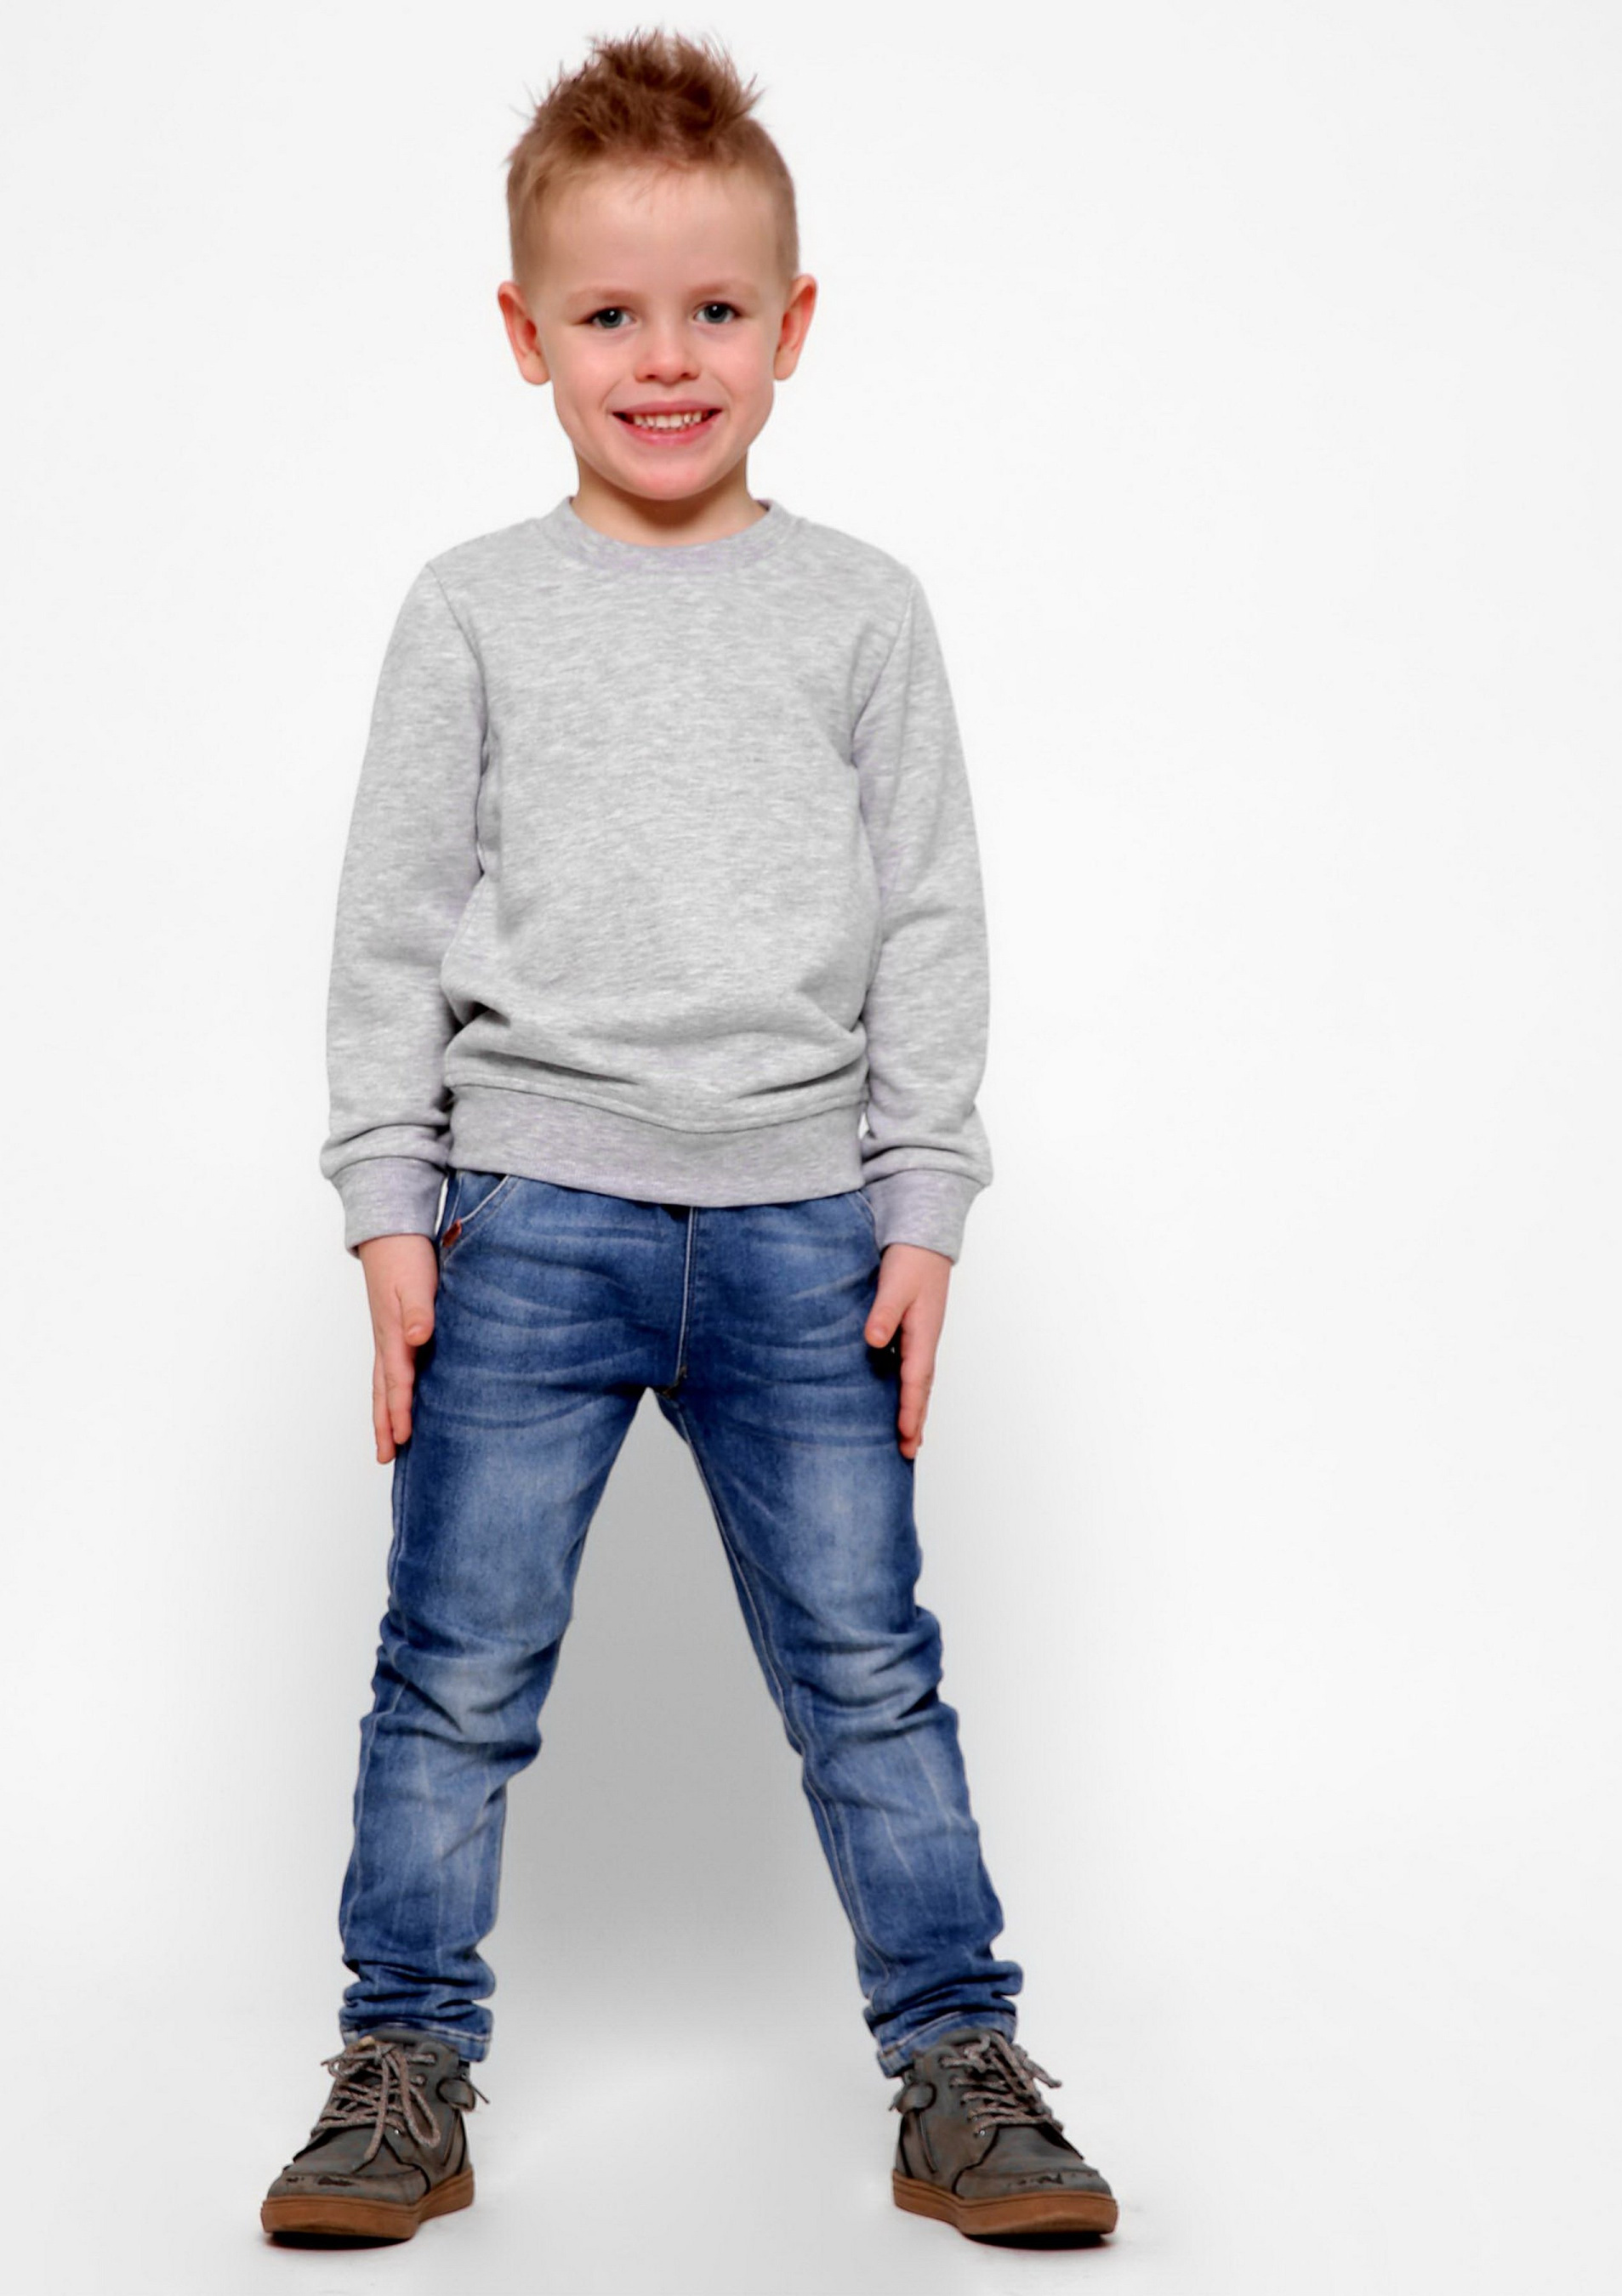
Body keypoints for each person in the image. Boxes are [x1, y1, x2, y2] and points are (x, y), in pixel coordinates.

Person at [261, 26, 1117, 2250]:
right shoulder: (470, 606)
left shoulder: (863, 610)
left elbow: (930, 920)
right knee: (454, 1668)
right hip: (528, 1210)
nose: (666, 360)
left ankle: (958, 2063)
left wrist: (923, 1203)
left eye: (715, 309)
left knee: (867, 1668)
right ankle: (400, 2067)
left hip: (803, 1221)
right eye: (613, 315)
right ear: (525, 331)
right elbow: (389, 926)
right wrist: (389, 1209)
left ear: (793, 324)